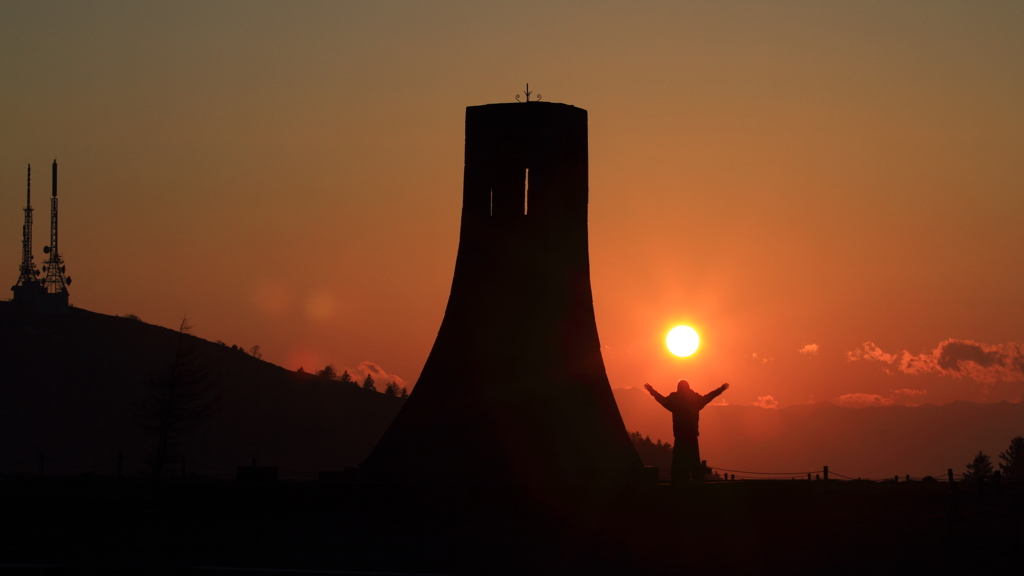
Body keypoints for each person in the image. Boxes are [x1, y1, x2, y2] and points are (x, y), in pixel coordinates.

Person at [644, 380, 729, 483]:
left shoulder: (675, 401)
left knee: (678, 462)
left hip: (680, 437)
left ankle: (678, 481)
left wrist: (652, 391)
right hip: (691, 436)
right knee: (694, 462)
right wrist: (720, 389)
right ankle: (696, 481)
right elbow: (708, 397)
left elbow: (662, 400)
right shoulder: (694, 401)